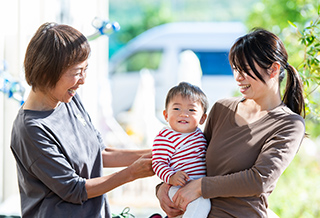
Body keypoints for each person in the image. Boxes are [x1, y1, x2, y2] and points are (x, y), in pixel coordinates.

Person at [156, 28, 306, 217]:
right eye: (236, 68)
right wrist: (163, 186)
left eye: (246, 69)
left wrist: (201, 187)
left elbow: (259, 180)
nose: (238, 77)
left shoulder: (289, 124)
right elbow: (191, 153)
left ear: (274, 69)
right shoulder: (222, 108)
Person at [10, 22, 154, 218]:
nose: (83, 80)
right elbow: (74, 189)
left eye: (85, 69)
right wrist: (131, 173)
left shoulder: (68, 99)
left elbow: (98, 153)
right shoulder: (31, 129)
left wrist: (158, 153)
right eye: (77, 72)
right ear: (46, 72)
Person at [152, 82, 211, 218]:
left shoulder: (200, 135)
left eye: (191, 110)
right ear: (166, 115)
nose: (184, 114)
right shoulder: (165, 137)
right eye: (177, 109)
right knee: (201, 203)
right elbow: (158, 163)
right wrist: (171, 177)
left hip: (197, 187)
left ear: (202, 118)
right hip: (177, 186)